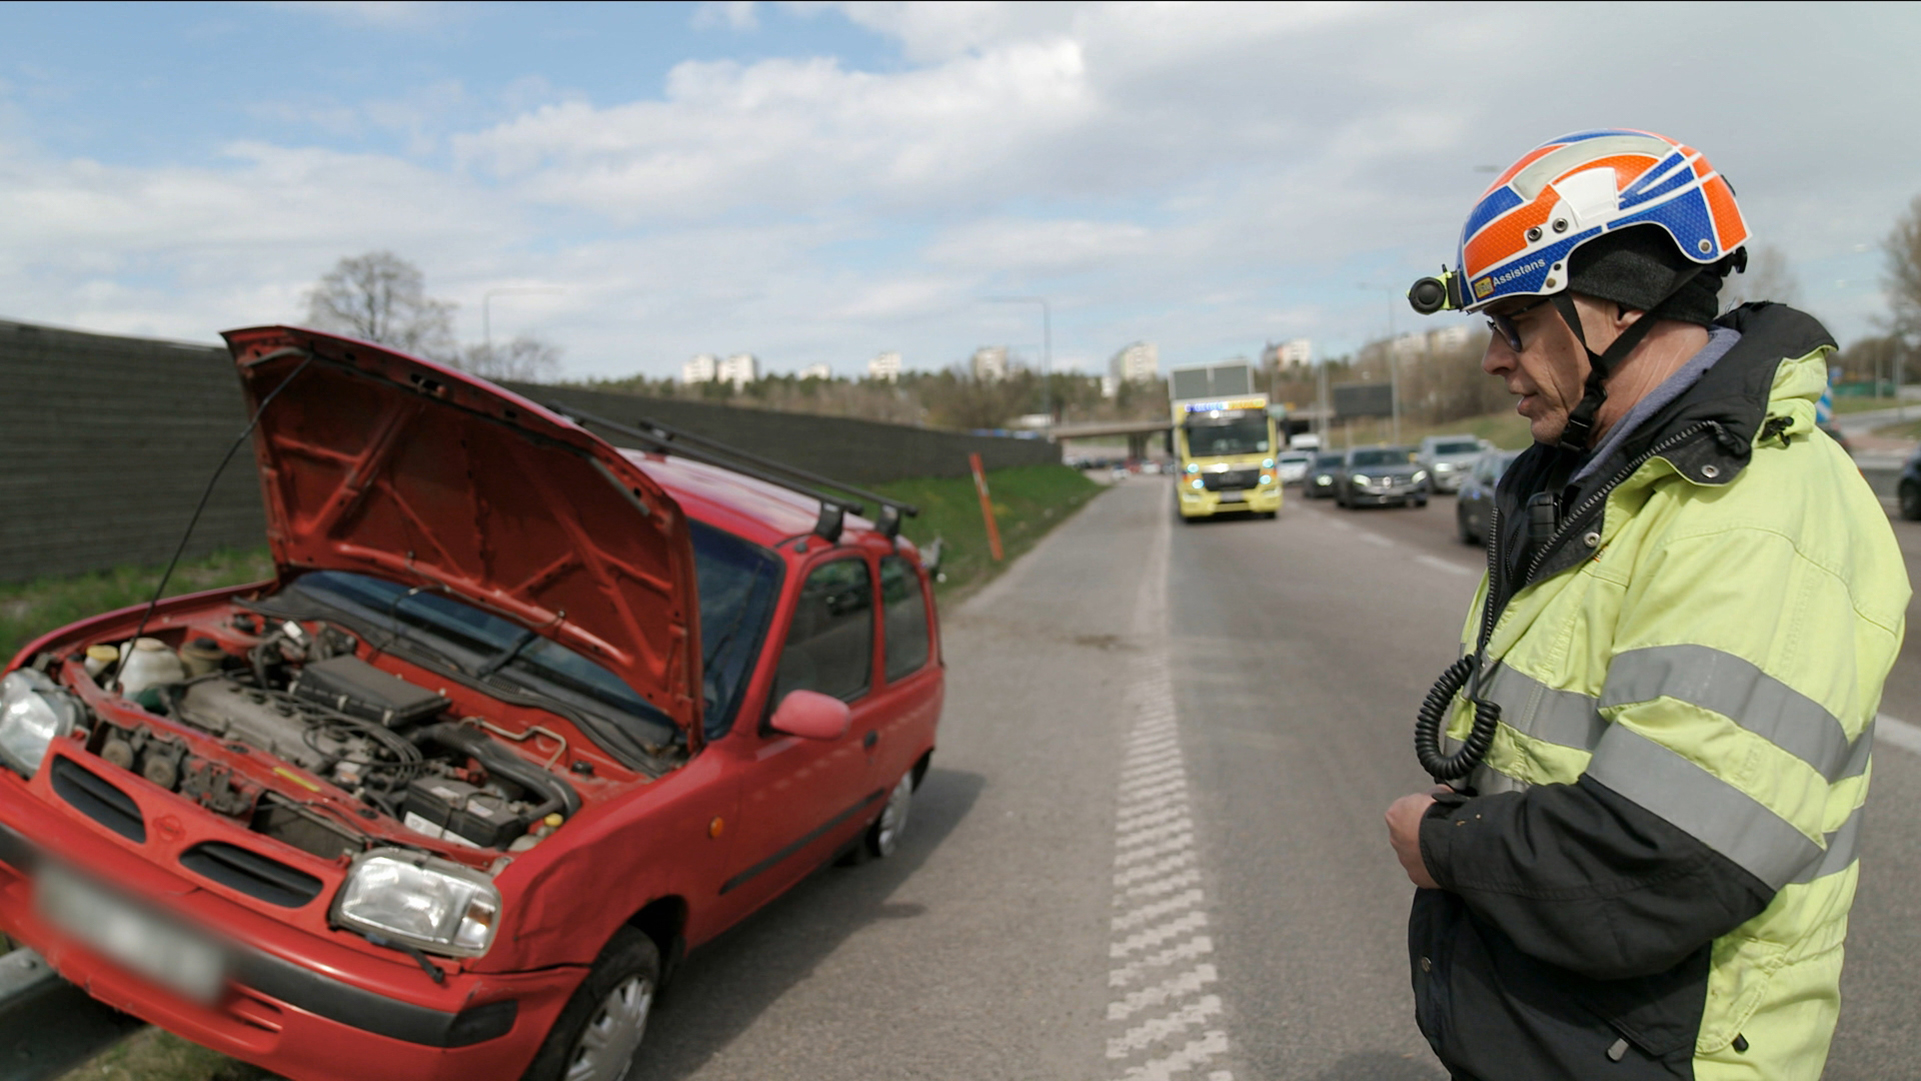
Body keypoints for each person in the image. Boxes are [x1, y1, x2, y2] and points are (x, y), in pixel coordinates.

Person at [1384, 129, 1908, 1080]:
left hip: (1666, 1049)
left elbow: (1664, 864)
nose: (1495, 359)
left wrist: (1438, 842)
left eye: (1513, 321)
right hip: (1571, 1032)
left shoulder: (1748, 515)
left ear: (1616, 302)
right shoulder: (1602, 487)